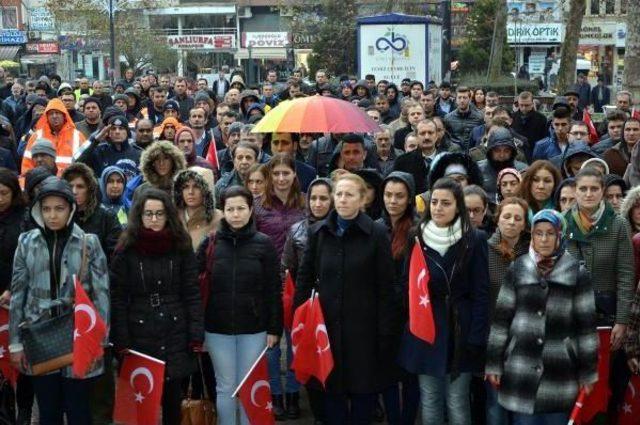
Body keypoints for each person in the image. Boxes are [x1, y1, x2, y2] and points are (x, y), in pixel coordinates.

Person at [293, 173, 399, 423]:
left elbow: (386, 287)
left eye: (349, 194)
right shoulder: (318, 232)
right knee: (332, 400)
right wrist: (300, 321)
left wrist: (385, 333)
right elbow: (304, 279)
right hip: (326, 332)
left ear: (363, 199)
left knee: (363, 399)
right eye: (338, 194)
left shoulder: (376, 233)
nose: (342, 199)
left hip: (364, 334)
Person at [10, 177, 109, 424]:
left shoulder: (89, 243)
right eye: (46, 209)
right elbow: (18, 293)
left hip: (79, 337)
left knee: (79, 411)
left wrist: (101, 342)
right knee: (48, 411)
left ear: (71, 209)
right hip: (40, 337)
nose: (52, 215)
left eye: (59, 208)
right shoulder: (26, 243)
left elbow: (102, 296)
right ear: (37, 210)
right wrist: (15, 343)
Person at [486, 209, 597, 424]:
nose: (544, 239)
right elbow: (501, 321)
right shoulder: (517, 268)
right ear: (532, 235)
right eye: (538, 233)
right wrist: (494, 363)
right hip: (520, 367)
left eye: (550, 233)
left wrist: (588, 372)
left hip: (561, 369)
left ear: (559, 236)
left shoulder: (577, 273)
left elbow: (587, 328)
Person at [398, 177, 489, 425]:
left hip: (461, 329)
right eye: (434, 202)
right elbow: (407, 285)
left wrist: (476, 336)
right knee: (429, 398)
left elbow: (482, 293)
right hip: (426, 326)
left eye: (445, 203)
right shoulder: (416, 236)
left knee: (458, 400)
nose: (438, 207)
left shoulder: (475, 239)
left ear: (458, 206)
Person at [110, 188, 203, 425]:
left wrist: (195, 334)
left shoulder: (181, 246)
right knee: (142, 401)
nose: (154, 219)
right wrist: (121, 339)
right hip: (139, 331)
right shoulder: (126, 249)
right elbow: (117, 298)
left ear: (168, 215)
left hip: (175, 329)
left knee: (173, 399)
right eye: (148, 214)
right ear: (139, 216)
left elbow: (192, 292)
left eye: (159, 214)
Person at [197, 185, 282, 425]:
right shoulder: (210, 243)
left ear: (250, 210)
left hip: (254, 329)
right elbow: (195, 287)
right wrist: (197, 328)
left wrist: (275, 328)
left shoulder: (263, 244)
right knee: (225, 386)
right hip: (216, 328)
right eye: (230, 209)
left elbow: (273, 289)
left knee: (248, 385)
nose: (236, 214)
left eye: (241, 208)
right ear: (222, 211)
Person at [565, 167, 634, 415]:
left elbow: (626, 275)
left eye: (594, 189)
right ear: (575, 192)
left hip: (606, 319)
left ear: (603, 192)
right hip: (570, 317)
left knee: (600, 385)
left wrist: (622, 320)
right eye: (583, 189)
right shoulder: (562, 222)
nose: (588, 193)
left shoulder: (618, 224)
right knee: (572, 384)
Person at [254, 153, 305, 419]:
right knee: (271, 345)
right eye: (276, 174)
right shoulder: (257, 206)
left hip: (298, 282)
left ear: (294, 175)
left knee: (296, 341)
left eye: (286, 173)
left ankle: (294, 393)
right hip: (269, 282)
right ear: (269, 177)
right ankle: (275, 395)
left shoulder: (306, 203)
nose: (281, 178)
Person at [282, 178, 333, 422]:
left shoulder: (339, 229)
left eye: (324, 198)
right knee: (311, 366)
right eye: (313, 198)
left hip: (334, 308)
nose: (318, 203)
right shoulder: (297, 230)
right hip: (308, 307)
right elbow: (288, 269)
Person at [376, 172, 421, 425]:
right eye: (388, 195)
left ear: (409, 198)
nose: (393, 201)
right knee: (387, 375)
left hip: (408, 315)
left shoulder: (417, 230)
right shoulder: (374, 227)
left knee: (409, 375)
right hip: (382, 316)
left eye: (399, 196)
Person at [485, 197, 529, 425]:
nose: (511, 222)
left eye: (518, 218)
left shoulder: (533, 253)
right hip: (494, 338)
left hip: (524, 340)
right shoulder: (484, 250)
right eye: (507, 216)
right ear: (497, 220)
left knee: (522, 408)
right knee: (495, 408)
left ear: (524, 224)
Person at [61, 162, 122, 259]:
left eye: (80, 187)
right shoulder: (61, 216)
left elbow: (116, 254)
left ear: (90, 189)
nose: (74, 192)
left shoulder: (107, 217)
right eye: (70, 186)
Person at [22, 98, 88, 175]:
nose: (54, 116)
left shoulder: (78, 136)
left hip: (69, 183)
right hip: (43, 183)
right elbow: (27, 164)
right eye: (51, 113)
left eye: (57, 113)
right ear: (46, 117)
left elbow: (85, 165)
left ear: (64, 115)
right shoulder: (36, 136)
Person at [173, 167, 222, 252]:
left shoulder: (219, 219)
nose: (190, 192)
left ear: (206, 191)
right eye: (186, 187)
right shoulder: (172, 216)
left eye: (196, 186)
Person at [512, 92, 554, 161]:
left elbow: (545, 139)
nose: (524, 108)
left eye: (527, 105)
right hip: (517, 156)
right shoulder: (513, 117)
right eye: (521, 105)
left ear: (532, 104)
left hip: (535, 155)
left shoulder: (541, 118)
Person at [443, 86, 484, 150]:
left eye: (464, 98)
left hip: (473, 153)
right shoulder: (448, 118)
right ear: (456, 99)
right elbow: (446, 139)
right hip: (454, 153)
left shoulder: (479, 117)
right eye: (459, 98)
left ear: (469, 99)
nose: (462, 100)